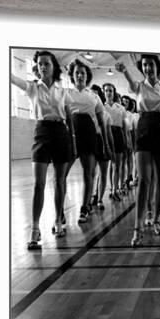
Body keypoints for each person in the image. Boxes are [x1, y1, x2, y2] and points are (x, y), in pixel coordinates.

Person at [115, 54, 160, 246]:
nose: (147, 68)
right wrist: (125, 72)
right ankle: (138, 228)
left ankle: (155, 220)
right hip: (144, 130)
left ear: (157, 67)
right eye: (144, 65)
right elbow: (130, 81)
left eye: (150, 65)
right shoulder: (139, 86)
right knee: (145, 180)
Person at [10, 50, 76, 248]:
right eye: (40, 64)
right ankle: (35, 229)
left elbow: (70, 117)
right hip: (41, 132)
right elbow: (13, 79)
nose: (43, 66)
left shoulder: (63, 91)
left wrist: (73, 141)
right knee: (39, 183)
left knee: (59, 180)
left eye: (46, 63)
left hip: (61, 133)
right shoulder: (32, 88)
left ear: (53, 66)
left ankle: (58, 220)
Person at [66, 59, 110, 223]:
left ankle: (85, 207)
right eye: (76, 72)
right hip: (71, 133)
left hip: (89, 134)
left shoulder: (94, 96)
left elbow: (102, 122)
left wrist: (105, 144)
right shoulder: (66, 93)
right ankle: (60, 211)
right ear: (72, 75)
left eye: (82, 73)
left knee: (88, 173)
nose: (79, 75)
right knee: (61, 175)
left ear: (87, 76)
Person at [90, 84, 114, 210]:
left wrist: (110, 148)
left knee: (103, 173)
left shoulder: (105, 115)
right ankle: (89, 199)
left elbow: (109, 134)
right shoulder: (87, 112)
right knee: (91, 173)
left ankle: (99, 199)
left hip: (102, 142)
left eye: (95, 94)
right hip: (92, 141)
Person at [102, 83, 128, 201]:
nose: (108, 93)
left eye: (110, 91)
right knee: (107, 165)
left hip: (118, 135)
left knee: (117, 164)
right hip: (106, 134)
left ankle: (115, 189)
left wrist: (127, 140)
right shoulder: (101, 107)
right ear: (103, 92)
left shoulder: (120, 108)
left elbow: (124, 126)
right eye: (106, 91)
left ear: (114, 92)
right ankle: (105, 190)